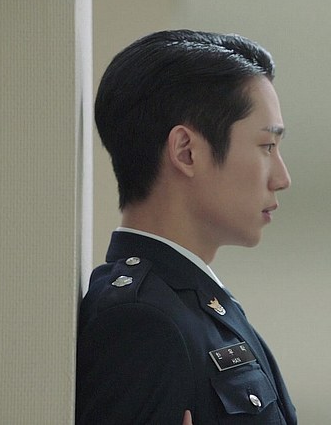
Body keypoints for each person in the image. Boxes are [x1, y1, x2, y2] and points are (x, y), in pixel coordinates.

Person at [76, 30, 297, 425]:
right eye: (267, 146)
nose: (282, 178)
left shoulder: (192, 307)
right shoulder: (142, 323)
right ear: (186, 152)